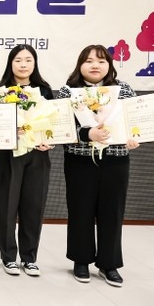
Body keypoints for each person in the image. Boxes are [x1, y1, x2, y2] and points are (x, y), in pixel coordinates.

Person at [56, 45, 138, 287]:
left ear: (109, 66)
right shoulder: (68, 91)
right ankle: (81, 260)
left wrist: (135, 137)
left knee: (112, 211)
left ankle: (108, 264)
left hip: (115, 159)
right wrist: (87, 133)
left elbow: (134, 121)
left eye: (101, 61)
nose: (95, 65)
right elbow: (61, 127)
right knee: (80, 210)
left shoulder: (123, 89)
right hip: (80, 159)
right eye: (89, 61)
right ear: (80, 64)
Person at [0, 45, 54, 277]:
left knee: (34, 206)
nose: (23, 65)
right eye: (18, 60)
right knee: (6, 206)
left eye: (28, 60)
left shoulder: (44, 90)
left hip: (37, 154)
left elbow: (54, 121)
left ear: (35, 63)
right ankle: (8, 257)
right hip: (8, 155)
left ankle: (29, 258)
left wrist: (50, 141)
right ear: (10, 63)